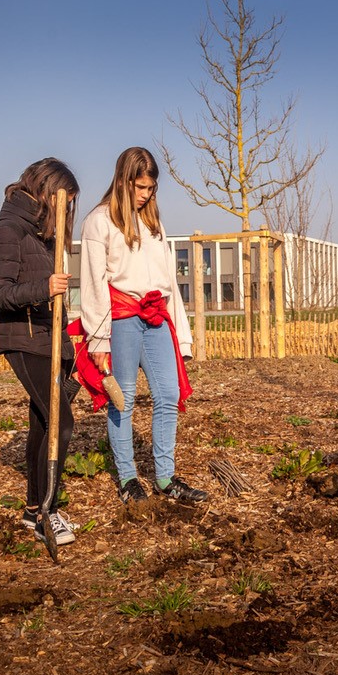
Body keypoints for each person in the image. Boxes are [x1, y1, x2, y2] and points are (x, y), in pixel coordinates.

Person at [78, 147, 203, 504]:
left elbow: (168, 283)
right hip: (121, 320)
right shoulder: (98, 221)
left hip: (156, 316)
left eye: (151, 188)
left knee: (168, 394)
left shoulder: (153, 224)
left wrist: (183, 338)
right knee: (124, 399)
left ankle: (165, 477)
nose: (145, 194)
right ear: (122, 181)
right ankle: (128, 478)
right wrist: (99, 339)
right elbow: (93, 283)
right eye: (139, 187)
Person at [0, 157, 82, 546]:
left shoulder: (42, 237)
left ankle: (31, 509)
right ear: (45, 192)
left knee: (44, 422)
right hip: (23, 339)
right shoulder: (8, 231)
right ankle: (47, 511)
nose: (66, 211)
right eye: (65, 201)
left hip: (47, 339)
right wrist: (45, 288)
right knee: (62, 423)